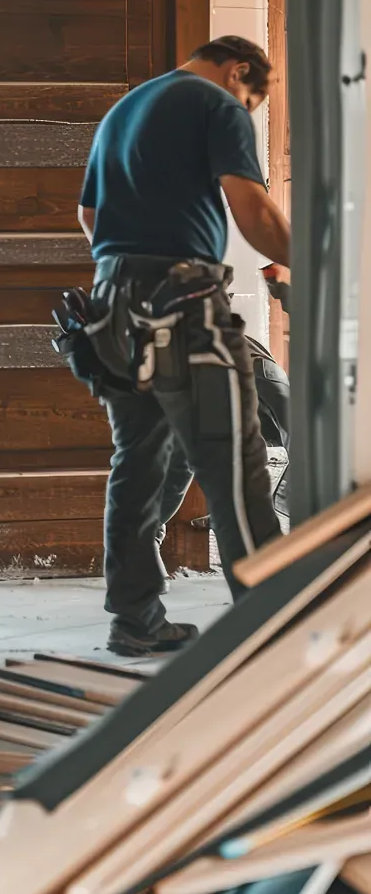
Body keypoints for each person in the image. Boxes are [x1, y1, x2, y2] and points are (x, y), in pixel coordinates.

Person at [75, 36, 289, 656]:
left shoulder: (126, 108)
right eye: (252, 101)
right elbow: (254, 212)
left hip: (112, 309)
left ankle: (135, 621)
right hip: (183, 305)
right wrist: (321, 264)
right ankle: (271, 626)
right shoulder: (216, 103)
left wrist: (133, 266)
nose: (247, 111)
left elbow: (88, 215)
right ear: (240, 70)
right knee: (235, 467)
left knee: (138, 467)